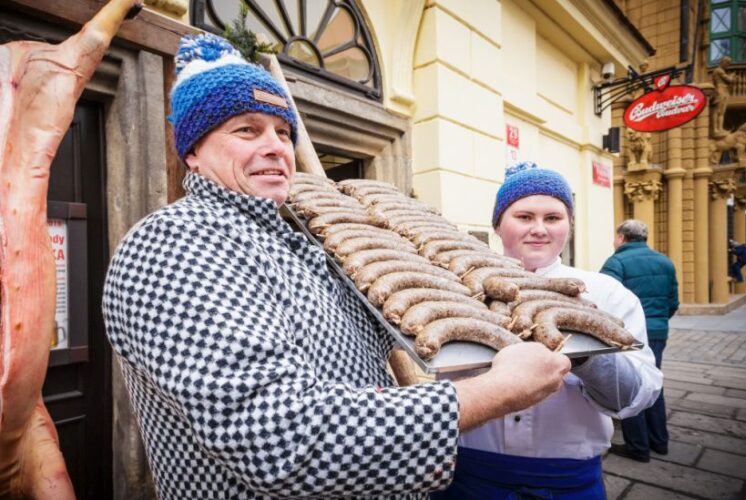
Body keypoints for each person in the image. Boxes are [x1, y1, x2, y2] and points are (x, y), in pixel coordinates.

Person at [102, 34, 571, 499]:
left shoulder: (296, 245)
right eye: (246, 130)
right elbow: (281, 441)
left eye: (283, 132)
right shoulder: (176, 243)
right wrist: (495, 392)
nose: (275, 148)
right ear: (193, 152)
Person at [433, 162, 663, 499]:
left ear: (569, 225)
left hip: (568, 482)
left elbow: (635, 398)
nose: (539, 229)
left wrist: (586, 355)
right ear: (498, 225)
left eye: (553, 218)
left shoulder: (607, 294)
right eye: (524, 217)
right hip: (466, 475)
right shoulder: (449, 291)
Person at [601, 219, 678, 462]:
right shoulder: (665, 261)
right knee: (653, 380)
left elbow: (602, 303)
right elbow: (673, 301)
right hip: (657, 330)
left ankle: (638, 446)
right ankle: (660, 441)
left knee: (629, 380)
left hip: (627, 333)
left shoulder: (616, 262)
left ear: (622, 237)